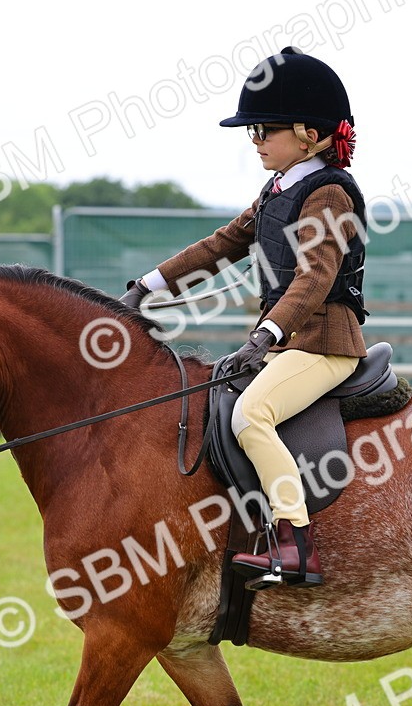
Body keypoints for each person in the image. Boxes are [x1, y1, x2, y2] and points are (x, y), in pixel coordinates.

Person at [120, 47, 367, 590]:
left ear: (310, 133)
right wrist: (147, 287)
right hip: (289, 344)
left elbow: (315, 278)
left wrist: (267, 333)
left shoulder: (327, 192)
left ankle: (295, 543)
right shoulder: (279, 189)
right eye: (251, 131)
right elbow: (221, 245)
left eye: (264, 129)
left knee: (249, 416)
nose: (255, 140)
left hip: (324, 344)